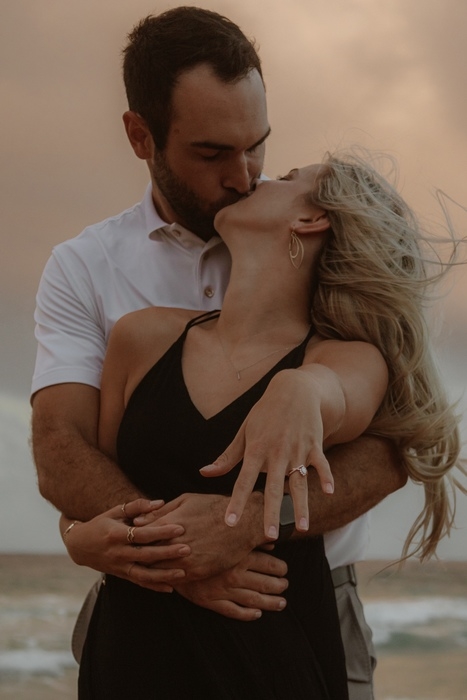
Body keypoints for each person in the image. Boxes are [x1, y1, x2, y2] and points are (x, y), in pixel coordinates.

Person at [31, 8, 405, 698]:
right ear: (140, 135)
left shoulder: (332, 300)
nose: (244, 176)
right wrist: (169, 557)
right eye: (211, 154)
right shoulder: (91, 274)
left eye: (258, 147)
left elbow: (391, 451)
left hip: (288, 597)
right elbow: (65, 451)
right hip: (142, 605)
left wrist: (242, 530)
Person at [60, 154, 463, 699]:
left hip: (269, 658)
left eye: (289, 179)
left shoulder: (344, 359)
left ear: (310, 220)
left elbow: (339, 393)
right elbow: (90, 500)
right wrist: (76, 539)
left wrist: (301, 388)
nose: (258, 178)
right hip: (131, 654)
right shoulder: (140, 337)